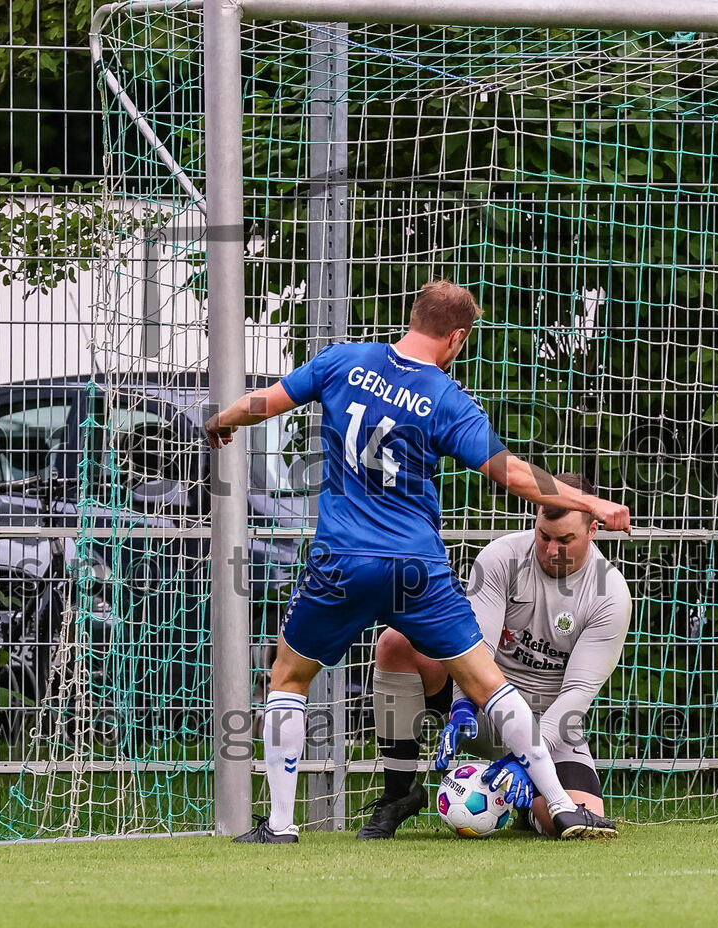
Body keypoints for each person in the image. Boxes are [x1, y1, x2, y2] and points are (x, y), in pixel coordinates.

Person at [203, 280, 630, 844]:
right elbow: (516, 476)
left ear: (413, 318)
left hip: (342, 561)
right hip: (415, 568)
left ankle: (281, 825)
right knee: (488, 685)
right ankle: (560, 803)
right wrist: (592, 501)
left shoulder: (342, 361)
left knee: (289, 678)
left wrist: (224, 420)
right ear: (456, 337)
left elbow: (267, 400)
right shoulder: (449, 399)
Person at [358, 473, 632, 839]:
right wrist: (460, 705)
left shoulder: (610, 594)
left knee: (578, 822)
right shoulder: (501, 558)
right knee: (397, 642)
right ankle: (398, 793)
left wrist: (527, 756)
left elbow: (577, 694)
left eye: (565, 540)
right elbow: (473, 649)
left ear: (593, 529)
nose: (552, 550)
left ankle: (525, 805)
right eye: (544, 536)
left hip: (552, 729)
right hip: (481, 710)